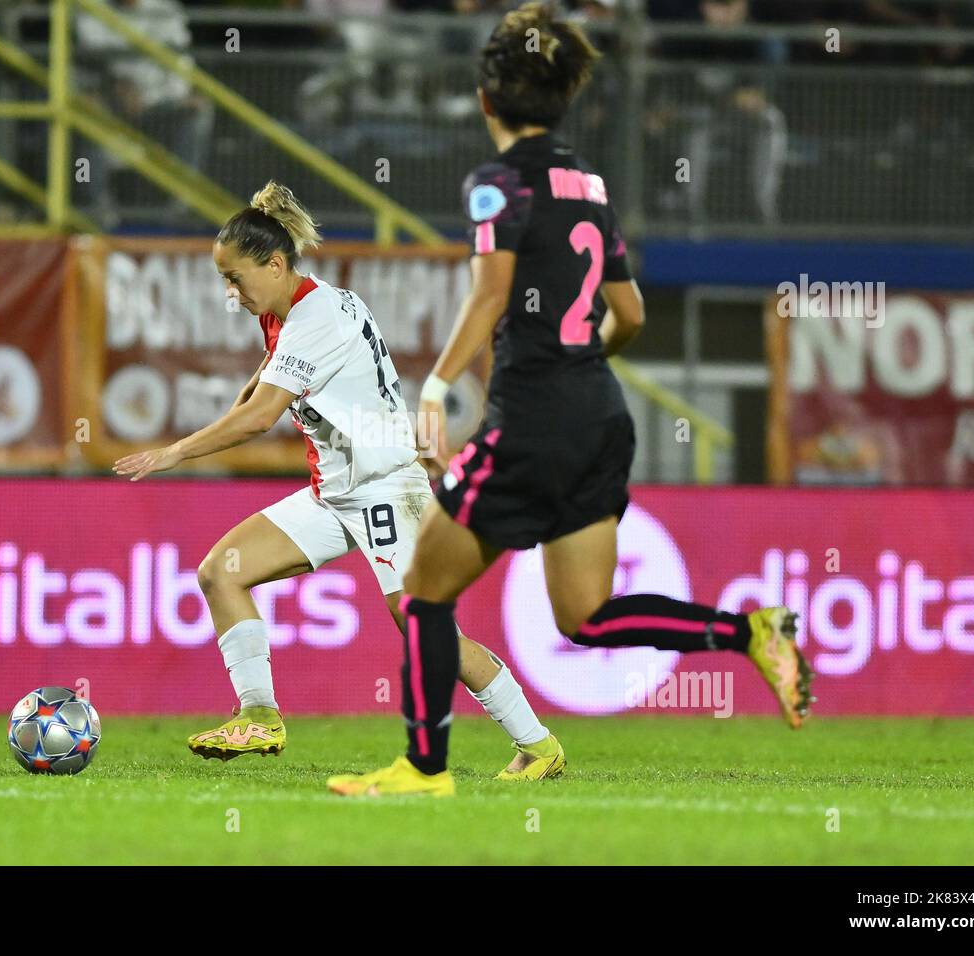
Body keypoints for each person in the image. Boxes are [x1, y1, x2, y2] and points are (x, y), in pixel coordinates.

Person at [328, 1, 813, 799]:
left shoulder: (497, 182)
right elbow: (632, 315)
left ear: (487, 100)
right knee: (586, 615)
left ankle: (422, 770)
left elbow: (488, 297)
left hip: (533, 416)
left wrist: (439, 386)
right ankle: (747, 629)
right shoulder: (586, 181)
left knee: (422, 590)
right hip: (601, 411)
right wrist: (579, 363)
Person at [114, 181, 567, 781]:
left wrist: (174, 452)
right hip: (336, 491)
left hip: (385, 487)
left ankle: (538, 745)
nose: (231, 293)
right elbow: (273, 381)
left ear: (275, 265)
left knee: (426, 630)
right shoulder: (302, 307)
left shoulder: (315, 316)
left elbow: (259, 417)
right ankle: (259, 715)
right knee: (220, 571)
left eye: (236, 278)